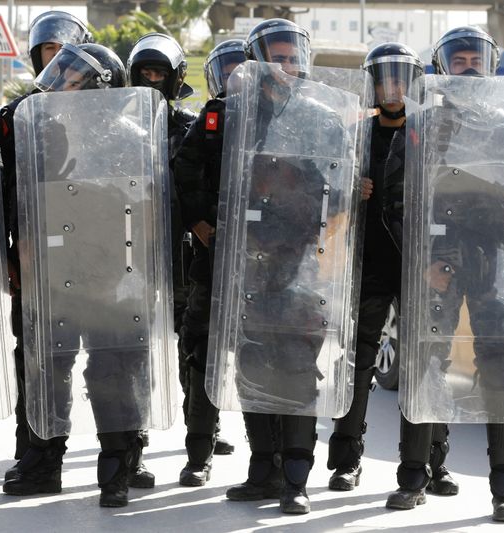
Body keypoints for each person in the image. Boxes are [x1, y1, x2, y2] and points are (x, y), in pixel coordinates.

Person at [175, 19, 339, 514]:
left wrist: (321, 233)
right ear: (255, 60)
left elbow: (339, 183)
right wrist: (204, 225)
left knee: (296, 369)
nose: (285, 66)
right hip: (237, 265)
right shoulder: (222, 114)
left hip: (298, 266)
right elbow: (185, 170)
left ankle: (296, 479)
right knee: (250, 365)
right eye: (276, 56)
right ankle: (263, 469)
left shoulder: (319, 117)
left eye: (293, 57)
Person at [385, 26, 504, 522]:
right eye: (460, 59)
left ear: (490, 66)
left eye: (477, 60)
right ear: (442, 66)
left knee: (501, 365)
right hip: (437, 257)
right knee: (423, 362)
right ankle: (413, 477)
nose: (468, 67)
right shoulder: (423, 124)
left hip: (493, 256)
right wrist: (424, 258)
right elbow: (395, 196)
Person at [15, 42, 167, 508]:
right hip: (58, 272)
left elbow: (149, 209)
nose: (61, 87)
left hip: (114, 275)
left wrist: (141, 274)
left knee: (113, 372)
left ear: (101, 88)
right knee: (48, 370)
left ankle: (117, 473)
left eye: (74, 79)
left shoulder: (131, 136)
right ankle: (42, 467)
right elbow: (21, 199)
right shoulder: (45, 134)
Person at [325, 42, 449, 493]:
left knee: (428, 365)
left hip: (423, 266)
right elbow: (325, 191)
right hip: (368, 263)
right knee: (356, 364)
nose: (393, 88)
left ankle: (432, 464)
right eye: (384, 78)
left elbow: (452, 199)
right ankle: (345, 461)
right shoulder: (354, 132)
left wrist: (443, 264)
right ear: (372, 85)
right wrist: (346, 188)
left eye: (400, 78)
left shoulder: (434, 132)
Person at [0, 10, 93, 497]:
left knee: (107, 364)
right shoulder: (15, 117)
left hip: (92, 265)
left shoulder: (106, 118)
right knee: (37, 365)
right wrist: (10, 251)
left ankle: (122, 457)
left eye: (66, 55)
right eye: (48, 54)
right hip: (36, 262)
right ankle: (36, 458)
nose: (57, 64)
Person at [165, 37, 246, 488]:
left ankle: (272, 463)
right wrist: (199, 221)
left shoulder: (279, 118)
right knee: (202, 351)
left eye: (242, 67)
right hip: (212, 255)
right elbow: (185, 169)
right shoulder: (211, 119)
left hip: (265, 258)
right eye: (227, 68)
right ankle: (199, 451)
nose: (235, 75)